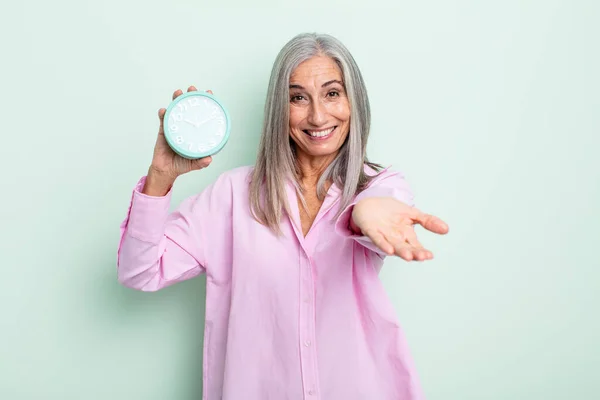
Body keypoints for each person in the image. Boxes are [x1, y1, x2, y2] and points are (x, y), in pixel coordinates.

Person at [117, 32, 449, 400]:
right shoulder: (231, 195)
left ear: (354, 102)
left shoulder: (379, 187)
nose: (318, 115)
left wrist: (367, 211)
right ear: (280, 107)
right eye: (298, 98)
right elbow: (140, 271)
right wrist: (160, 175)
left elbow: (375, 210)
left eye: (332, 93)